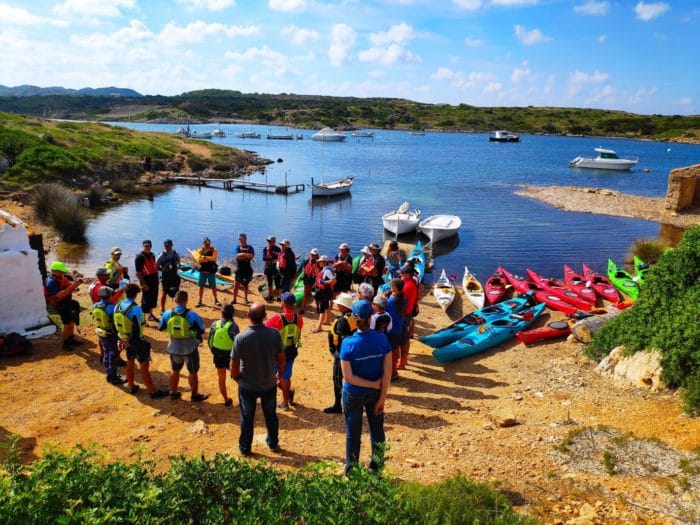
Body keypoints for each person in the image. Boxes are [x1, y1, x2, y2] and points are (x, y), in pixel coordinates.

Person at [340, 300, 392, 474]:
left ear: (355, 319)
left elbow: (348, 377)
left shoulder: (348, 343)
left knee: (352, 432)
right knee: (377, 431)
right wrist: (381, 396)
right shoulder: (382, 339)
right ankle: (377, 467)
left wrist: (371, 385)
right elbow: (387, 372)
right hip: (375, 393)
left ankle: (351, 469)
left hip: (353, 394)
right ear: (371, 317)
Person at [230, 302, 285, 455]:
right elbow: (281, 358)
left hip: (247, 385)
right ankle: (273, 443)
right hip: (268, 383)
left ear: (248, 316)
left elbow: (234, 363)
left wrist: (236, 377)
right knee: (271, 415)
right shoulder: (274, 334)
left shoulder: (241, 338)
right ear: (264, 317)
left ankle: (245, 448)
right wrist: (279, 376)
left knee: (247, 417)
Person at [113, 283, 168, 398]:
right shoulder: (135, 309)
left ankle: (131, 385)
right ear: (136, 294)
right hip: (136, 340)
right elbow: (139, 326)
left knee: (130, 361)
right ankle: (152, 391)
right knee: (144, 364)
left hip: (124, 338)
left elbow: (117, 324)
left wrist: (121, 339)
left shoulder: (117, 306)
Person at [158, 290, 208, 402]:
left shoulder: (167, 314)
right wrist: (191, 332)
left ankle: (174, 393)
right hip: (189, 348)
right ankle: (194, 396)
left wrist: (171, 331)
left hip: (174, 347)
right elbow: (202, 330)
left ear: (175, 300)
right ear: (186, 301)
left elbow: (160, 327)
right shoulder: (192, 315)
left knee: (175, 371)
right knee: (193, 372)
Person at [265, 292, 303, 410]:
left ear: (283, 303)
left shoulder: (277, 319)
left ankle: (270, 401)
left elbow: (265, 330)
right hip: (291, 351)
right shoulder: (299, 319)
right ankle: (285, 402)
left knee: (270, 376)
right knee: (285, 377)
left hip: (276, 354)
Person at [324, 292, 357, 414]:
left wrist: (338, 355)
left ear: (344, 306)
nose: (337, 306)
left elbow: (343, 340)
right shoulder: (353, 317)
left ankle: (338, 405)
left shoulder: (343, 321)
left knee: (338, 380)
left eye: (339, 304)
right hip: (352, 354)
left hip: (342, 355)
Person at [44, 261, 83, 350]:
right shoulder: (51, 282)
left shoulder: (60, 276)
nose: (62, 273)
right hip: (60, 304)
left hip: (67, 302)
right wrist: (72, 286)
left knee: (71, 319)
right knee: (67, 322)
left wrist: (75, 284)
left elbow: (67, 282)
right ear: (54, 271)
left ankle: (71, 339)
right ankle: (66, 343)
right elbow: (59, 296)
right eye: (61, 271)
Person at [208, 303, 240, 407]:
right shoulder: (234, 327)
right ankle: (246, 396)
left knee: (221, 379)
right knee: (239, 377)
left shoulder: (214, 324)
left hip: (218, 355)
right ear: (232, 314)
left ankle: (226, 400)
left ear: (221, 312)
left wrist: (213, 351)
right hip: (230, 357)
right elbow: (237, 343)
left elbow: (210, 341)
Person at [92, 286, 125, 385]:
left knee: (106, 353)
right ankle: (113, 377)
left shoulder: (96, 305)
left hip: (101, 332)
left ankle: (109, 374)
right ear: (110, 295)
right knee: (113, 355)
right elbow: (115, 321)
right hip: (110, 334)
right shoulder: (110, 307)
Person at [398, 263, 418, 370]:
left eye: (402, 273)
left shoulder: (407, 285)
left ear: (407, 275)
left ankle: (402, 362)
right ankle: (403, 360)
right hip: (408, 313)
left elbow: (399, 299)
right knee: (405, 338)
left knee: (403, 339)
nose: (400, 275)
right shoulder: (411, 283)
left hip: (404, 314)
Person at [135, 240, 159, 323]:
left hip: (154, 279)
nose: (147, 247)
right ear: (143, 247)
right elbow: (138, 272)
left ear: (151, 246)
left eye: (149, 246)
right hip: (146, 280)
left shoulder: (152, 255)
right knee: (145, 300)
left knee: (153, 298)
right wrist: (143, 284)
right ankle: (143, 319)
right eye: (146, 246)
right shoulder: (139, 257)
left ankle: (150, 315)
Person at [386, 278, 405, 381]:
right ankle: (394, 372)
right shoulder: (402, 298)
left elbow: (385, 310)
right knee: (395, 351)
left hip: (391, 330)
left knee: (391, 354)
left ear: (394, 287)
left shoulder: (391, 301)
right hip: (398, 328)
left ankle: (392, 374)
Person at [194, 237, 221, 307]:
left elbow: (214, 258)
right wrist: (208, 259)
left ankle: (216, 300)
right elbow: (198, 260)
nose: (207, 243)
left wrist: (204, 257)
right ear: (203, 243)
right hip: (202, 272)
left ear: (210, 242)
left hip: (211, 272)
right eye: (205, 242)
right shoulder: (200, 250)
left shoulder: (214, 250)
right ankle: (200, 301)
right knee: (201, 287)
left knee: (213, 287)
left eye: (208, 241)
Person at [157, 239, 181, 313]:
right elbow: (157, 265)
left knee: (177, 292)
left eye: (168, 245)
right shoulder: (161, 256)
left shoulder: (176, 254)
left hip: (174, 276)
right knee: (164, 293)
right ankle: (162, 309)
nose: (167, 246)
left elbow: (179, 263)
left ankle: (179, 308)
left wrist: (178, 267)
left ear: (171, 245)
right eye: (166, 245)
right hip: (166, 276)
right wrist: (162, 271)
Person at [312, 255, 336, 333]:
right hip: (326, 291)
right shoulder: (326, 269)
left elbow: (333, 280)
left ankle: (319, 327)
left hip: (324, 292)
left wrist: (324, 282)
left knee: (322, 309)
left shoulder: (327, 271)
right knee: (326, 306)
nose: (319, 262)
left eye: (320, 261)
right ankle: (327, 321)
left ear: (324, 262)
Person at [233, 233, 255, 305]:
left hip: (247, 269)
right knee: (236, 285)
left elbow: (252, 256)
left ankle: (245, 298)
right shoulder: (237, 247)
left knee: (246, 285)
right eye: (239, 239)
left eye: (241, 239)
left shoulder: (250, 247)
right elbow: (237, 256)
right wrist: (246, 255)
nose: (240, 240)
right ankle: (234, 299)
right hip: (239, 269)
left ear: (245, 239)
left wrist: (242, 255)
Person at [300, 248, 320, 314]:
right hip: (308, 279)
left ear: (317, 255)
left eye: (314, 255)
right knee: (306, 294)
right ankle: (302, 309)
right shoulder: (306, 261)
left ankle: (318, 308)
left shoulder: (320, 263)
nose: (312, 256)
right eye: (312, 254)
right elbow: (305, 271)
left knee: (317, 295)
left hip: (316, 279)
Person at [262, 235, 282, 301]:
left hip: (276, 268)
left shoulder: (278, 249)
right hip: (268, 267)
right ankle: (270, 295)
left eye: (270, 241)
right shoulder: (265, 248)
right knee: (269, 282)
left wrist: (270, 258)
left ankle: (279, 296)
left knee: (277, 282)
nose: (269, 242)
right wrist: (271, 257)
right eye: (268, 241)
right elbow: (264, 258)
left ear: (274, 242)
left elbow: (279, 258)